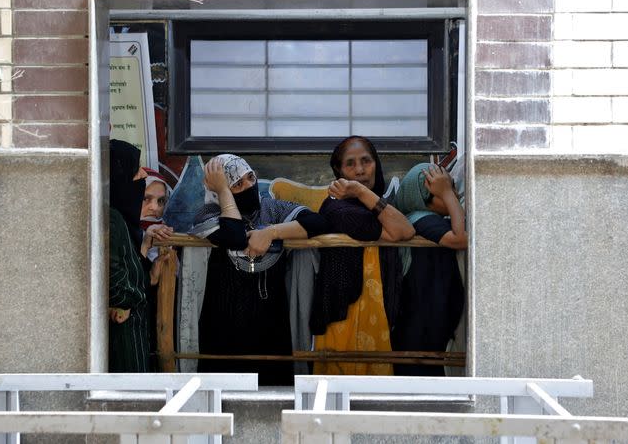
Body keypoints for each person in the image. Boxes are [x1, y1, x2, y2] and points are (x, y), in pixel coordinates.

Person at [187, 154, 328, 385]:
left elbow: (318, 223)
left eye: (250, 178)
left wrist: (271, 232)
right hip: (225, 324)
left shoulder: (272, 208)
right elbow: (233, 235)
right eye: (238, 184)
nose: (249, 186)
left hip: (271, 322)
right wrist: (223, 191)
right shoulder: (208, 214)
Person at [310, 136, 415, 375]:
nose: (360, 170)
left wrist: (362, 193)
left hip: (376, 312)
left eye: (366, 161)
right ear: (338, 171)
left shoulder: (378, 205)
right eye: (350, 164)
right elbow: (403, 230)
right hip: (345, 315)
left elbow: (403, 228)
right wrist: (358, 190)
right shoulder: (337, 208)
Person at [391, 162, 467, 376]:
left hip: (427, 321)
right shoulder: (422, 219)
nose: (453, 194)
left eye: (452, 187)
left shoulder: (428, 219)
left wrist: (445, 192)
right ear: (421, 198)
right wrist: (448, 194)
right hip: (422, 324)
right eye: (443, 191)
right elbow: (462, 239)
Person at [108, 139, 150, 373]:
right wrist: (122, 301)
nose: (143, 174)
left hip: (132, 329)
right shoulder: (113, 219)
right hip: (123, 334)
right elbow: (115, 275)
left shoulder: (121, 220)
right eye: (136, 168)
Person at [139, 168, 174, 371]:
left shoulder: (165, 236)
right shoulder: (117, 230)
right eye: (146, 198)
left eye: (160, 201)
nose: (154, 208)